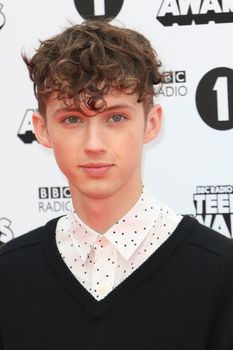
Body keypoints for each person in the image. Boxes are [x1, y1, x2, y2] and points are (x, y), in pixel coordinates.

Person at [0, 20, 233, 350]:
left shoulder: (220, 272)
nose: (94, 144)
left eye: (115, 118)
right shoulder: (9, 273)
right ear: (42, 129)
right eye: (72, 119)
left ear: (151, 124)